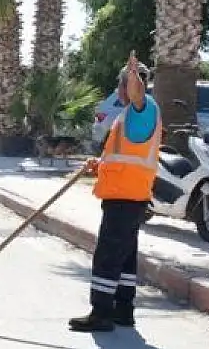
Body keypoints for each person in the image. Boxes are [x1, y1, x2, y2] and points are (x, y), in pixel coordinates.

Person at [69, 52, 161, 332]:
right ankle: (123, 309)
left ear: (129, 86)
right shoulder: (132, 116)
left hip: (125, 197)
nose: (118, 91)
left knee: (108, 254)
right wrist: (99, 164)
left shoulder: (142, 110)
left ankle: (101, 313)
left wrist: (133, 79)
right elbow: (127, 156)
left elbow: (137, 96)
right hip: (130, 195)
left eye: (122, 85)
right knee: (124, 256)